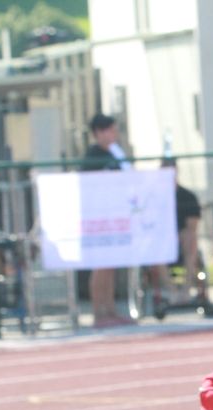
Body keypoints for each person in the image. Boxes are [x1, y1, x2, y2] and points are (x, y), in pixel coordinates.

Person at [82, 113, 134, 328]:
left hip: (115, 216)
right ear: (99, 133)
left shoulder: (114, 153)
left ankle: (110, 310)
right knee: (101, 266)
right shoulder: (93, 156)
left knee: (110, 265)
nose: (115, 134)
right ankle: (98, 313)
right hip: (99, 218)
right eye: (111, 130)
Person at [148, 158, 205, 310]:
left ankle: (186, 288)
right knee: (158, 243)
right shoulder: (152, 197)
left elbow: (192, 227)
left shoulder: (188, 196)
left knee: (190, 237)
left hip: (182, 243)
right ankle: (171, 291)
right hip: (161, 241)